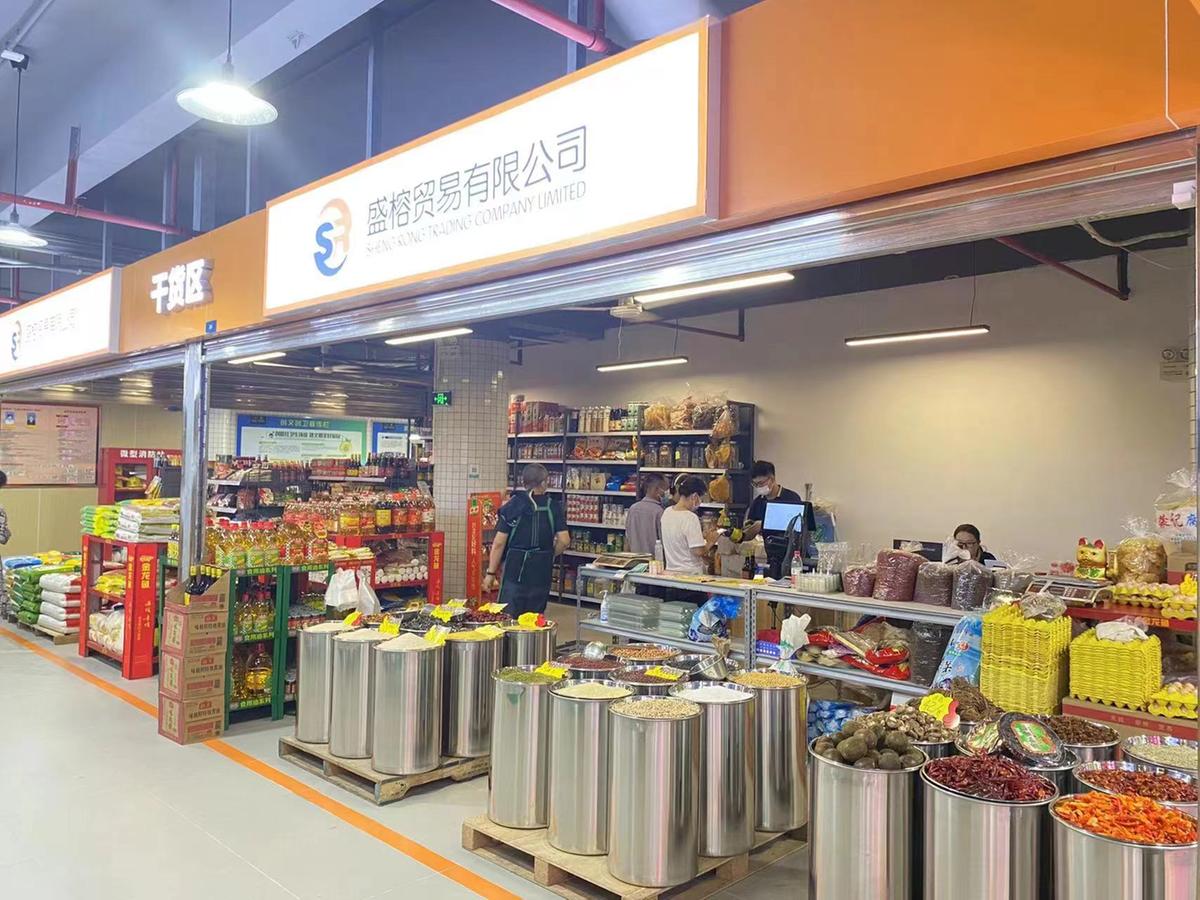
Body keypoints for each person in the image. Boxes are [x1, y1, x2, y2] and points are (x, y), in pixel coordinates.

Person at [482, 464, 570, 616]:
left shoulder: (513, 505)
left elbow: (499, 543)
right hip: (541, 571)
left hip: (515, 570)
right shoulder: (553, 506)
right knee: (534, 618)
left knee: (508, 617)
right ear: (544, 482)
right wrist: (549, 554)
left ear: (524, 482)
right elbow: (564, 540)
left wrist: (490, 573)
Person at [741, 460, 804, 576]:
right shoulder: (757, 503)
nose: (758, 487)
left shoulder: (791, 498)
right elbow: (748, 535)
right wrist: (750, 530)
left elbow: (798, 528)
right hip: (771, 558)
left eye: (761, 483)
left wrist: (763, 524)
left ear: (772, 479)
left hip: (793, 558)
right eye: (755, 484)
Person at [659, 476, 717, 575]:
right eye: (701, 499)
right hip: (690, 575)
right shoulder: (690, 518)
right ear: (694, 496)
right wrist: (711, 541)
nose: (700, 502)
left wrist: (701, 536)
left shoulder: (667, 512)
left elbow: (680, 539)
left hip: (670, 572)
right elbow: (698, 551)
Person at [625, 473, 667, 555]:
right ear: (656, 489)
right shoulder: (659, 512)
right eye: (665, 489)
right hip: (654, 560)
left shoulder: (633, 508)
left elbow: (627, 538)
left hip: (634, 559)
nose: (666, 493)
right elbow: (664, 541)